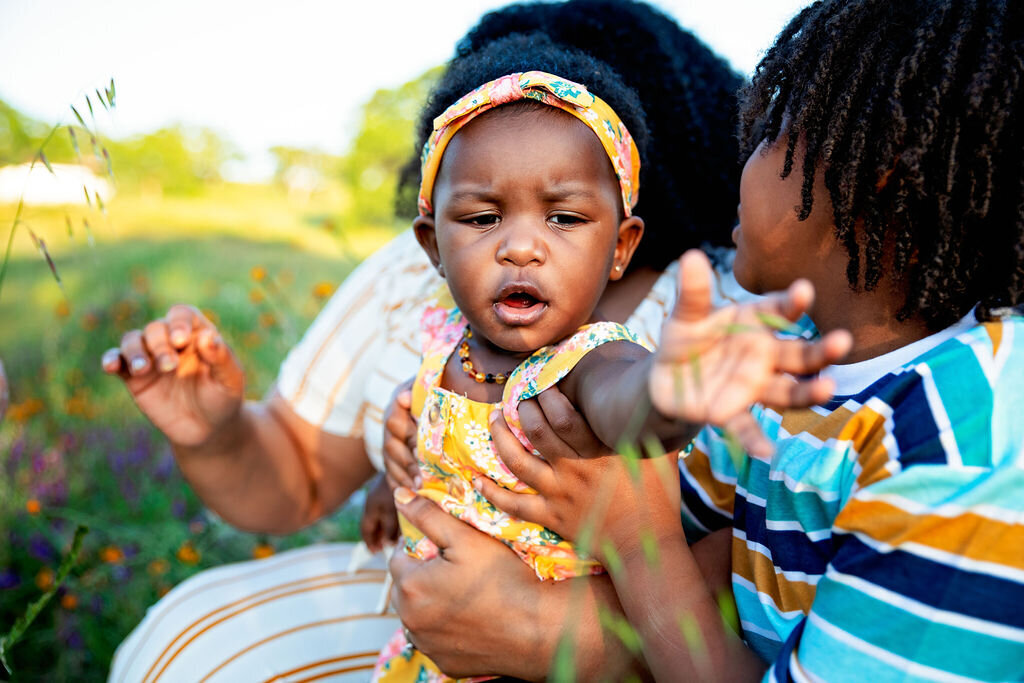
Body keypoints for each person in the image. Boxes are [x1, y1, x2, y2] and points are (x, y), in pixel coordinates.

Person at [105, 2, 751, 680]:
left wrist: (672, 391)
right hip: (416, 635)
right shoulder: (425, 296)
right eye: (481, 212)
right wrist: (217, 432)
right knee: (180, 639)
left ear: (627, 224)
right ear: (433, 235)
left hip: (616, 642)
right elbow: (299, 468)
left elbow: (635, 403)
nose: (521, 245)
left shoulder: (694, 311)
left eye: (563, 212)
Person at [395, 0, 1024, 679]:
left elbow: (649, 524)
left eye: (767, 132)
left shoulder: (963, 456)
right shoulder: (795, 360)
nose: (738, 160)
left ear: (871, 166)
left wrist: (630, 545)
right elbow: (695, 532)